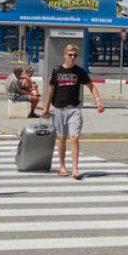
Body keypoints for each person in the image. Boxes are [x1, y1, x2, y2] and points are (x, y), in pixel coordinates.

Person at [40, 44, 103, 179]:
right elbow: (50, 90)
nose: (72, 58)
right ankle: (62, 166)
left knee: (74, 138)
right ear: (65, 55)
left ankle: (75, 169)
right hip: (59, 109)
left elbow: (91, 87)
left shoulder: (79, 72)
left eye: (75, 55)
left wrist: (98, 101)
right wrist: (45, 108)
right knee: (61, 139)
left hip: (74, 109)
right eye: (70, 55)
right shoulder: (57, 71)